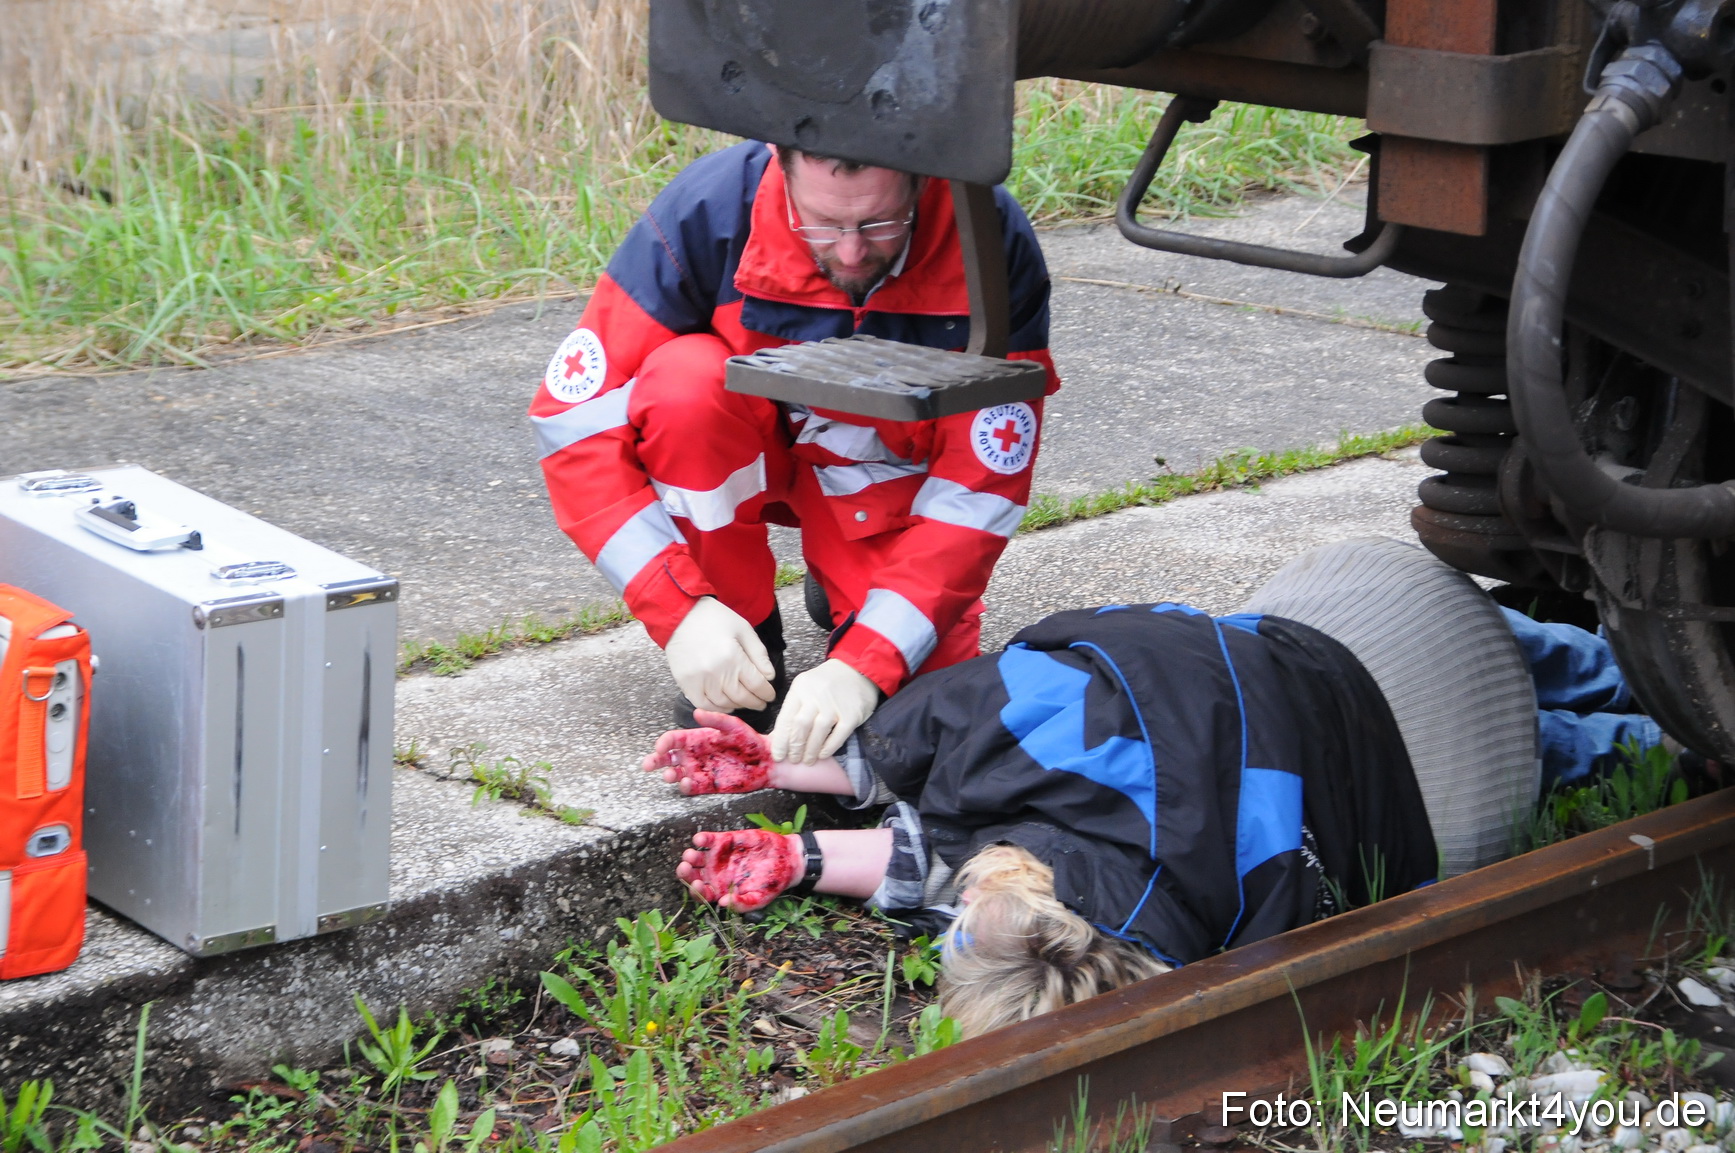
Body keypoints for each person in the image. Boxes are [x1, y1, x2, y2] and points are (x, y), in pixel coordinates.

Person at [642, 538, 1673, 1037]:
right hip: (1348, 648)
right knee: (1531, 653)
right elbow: (941, 757)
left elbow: (934, 865)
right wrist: (787, 774)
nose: (947, 908)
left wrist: (798, 839)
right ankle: (1648, 671)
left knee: (1557, 746)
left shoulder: (1162, 930)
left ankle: (1646, 739)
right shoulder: (1022, 742)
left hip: (1430, 784)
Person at [529, 141, 1059, 767]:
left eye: (879, 224)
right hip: (738, 451)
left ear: (923, 180)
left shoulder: (986, 237)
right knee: (681, 387)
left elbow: (980, 487)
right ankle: (742, 643)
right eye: (824, 225)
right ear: (781, 168)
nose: (852, 252)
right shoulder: (710, 209)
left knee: (920, 724)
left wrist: (866, 664)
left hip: (873, 486)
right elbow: (575, 421)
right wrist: (680, 610)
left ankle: (847, 592)